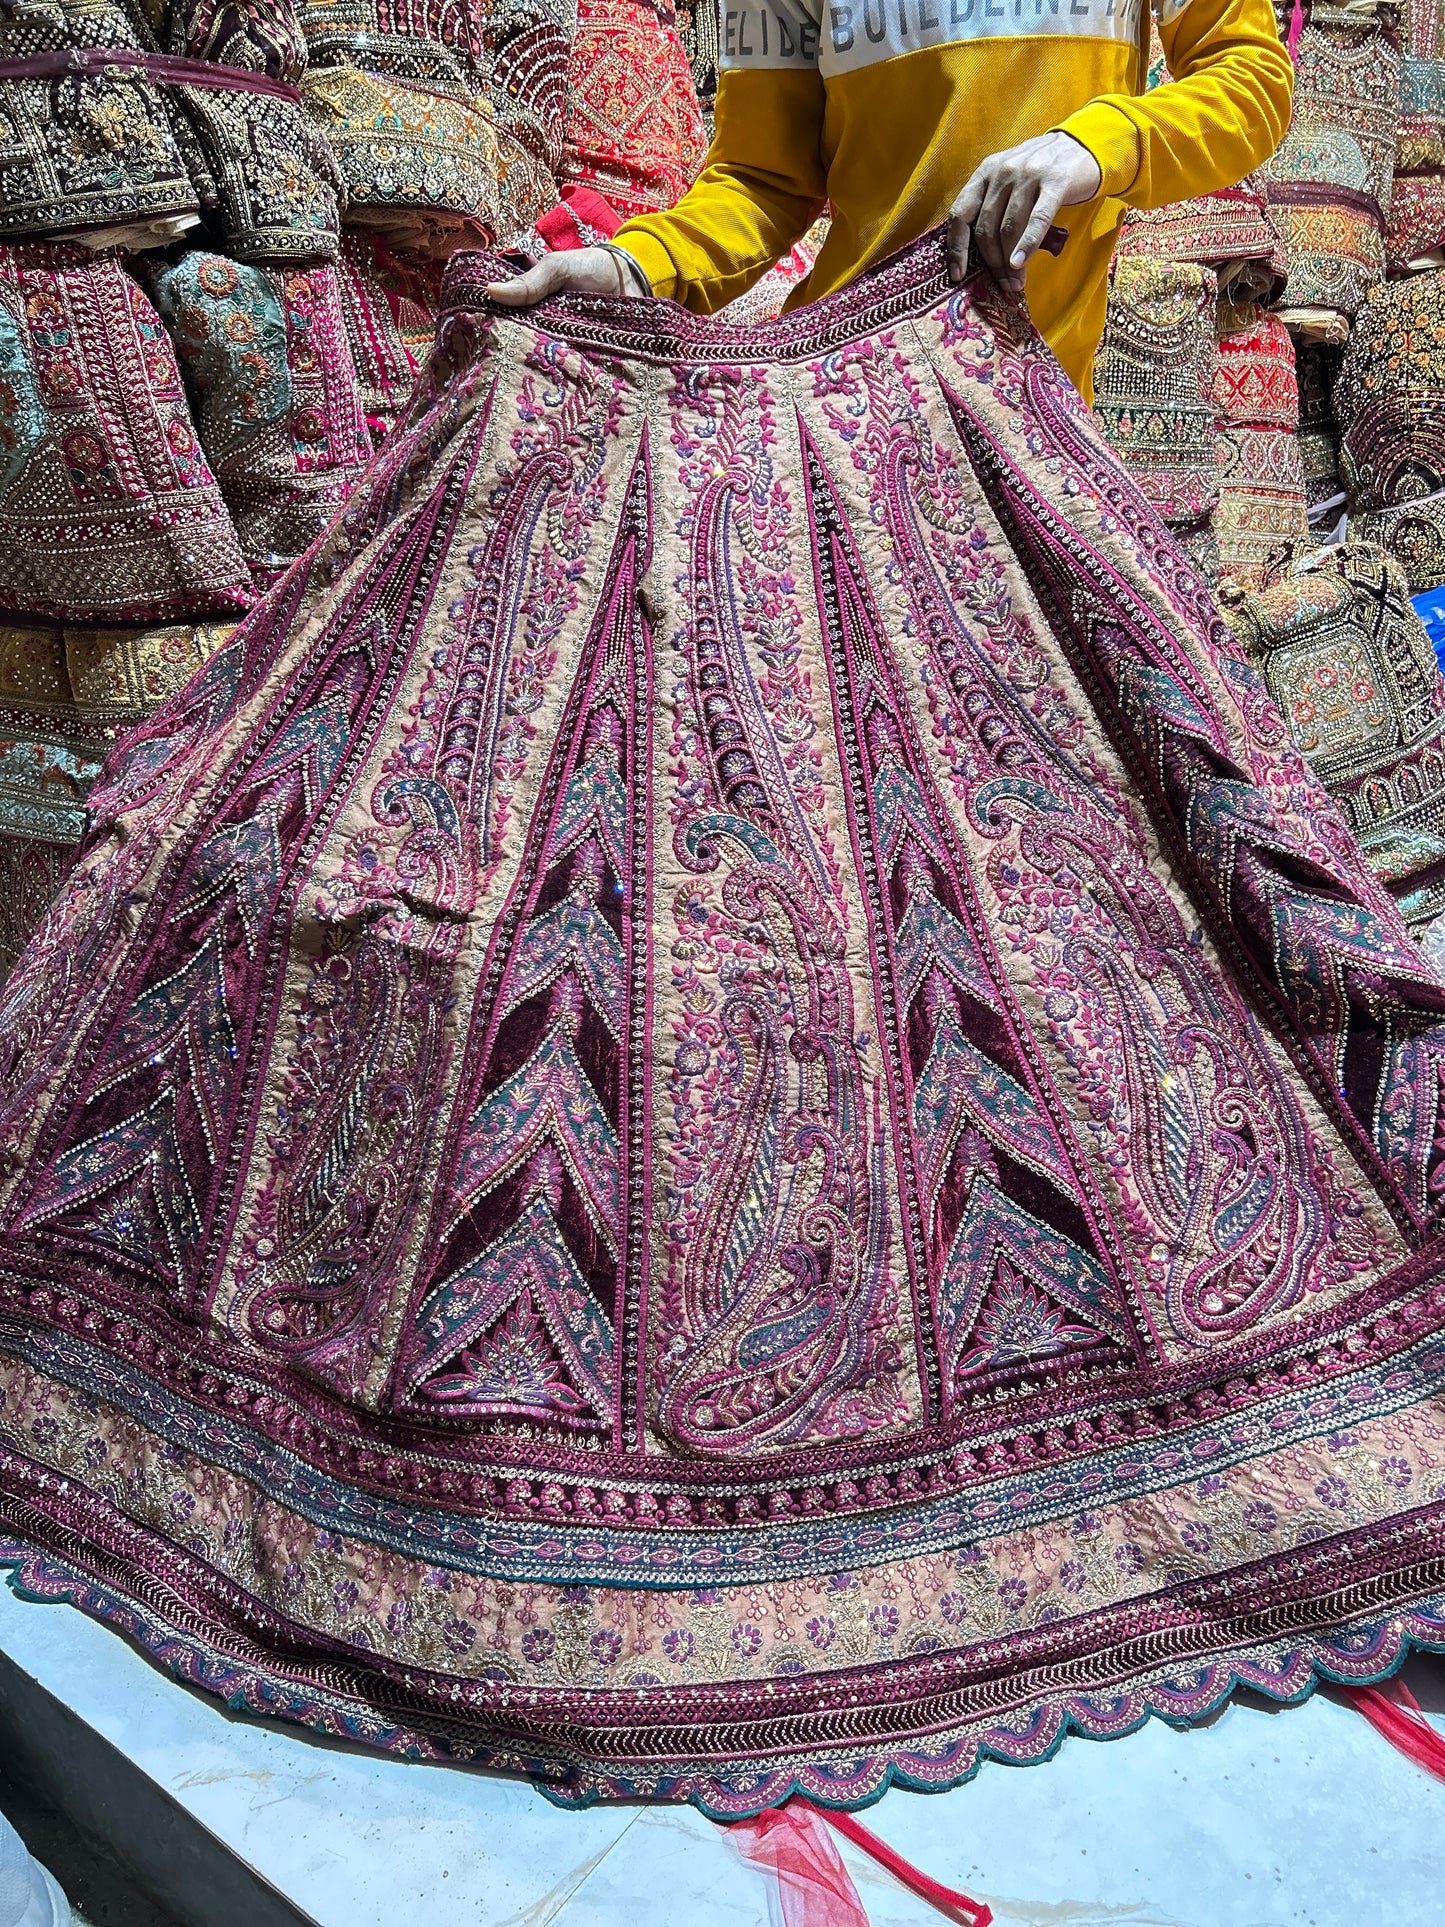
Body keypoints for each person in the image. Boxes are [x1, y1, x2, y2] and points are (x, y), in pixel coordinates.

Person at [488, 0, 1292, 398]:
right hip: (842, 398)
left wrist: (1093, 145)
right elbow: (762, 181)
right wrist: (631, 267)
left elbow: (1249, 80)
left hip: (1030, 403)